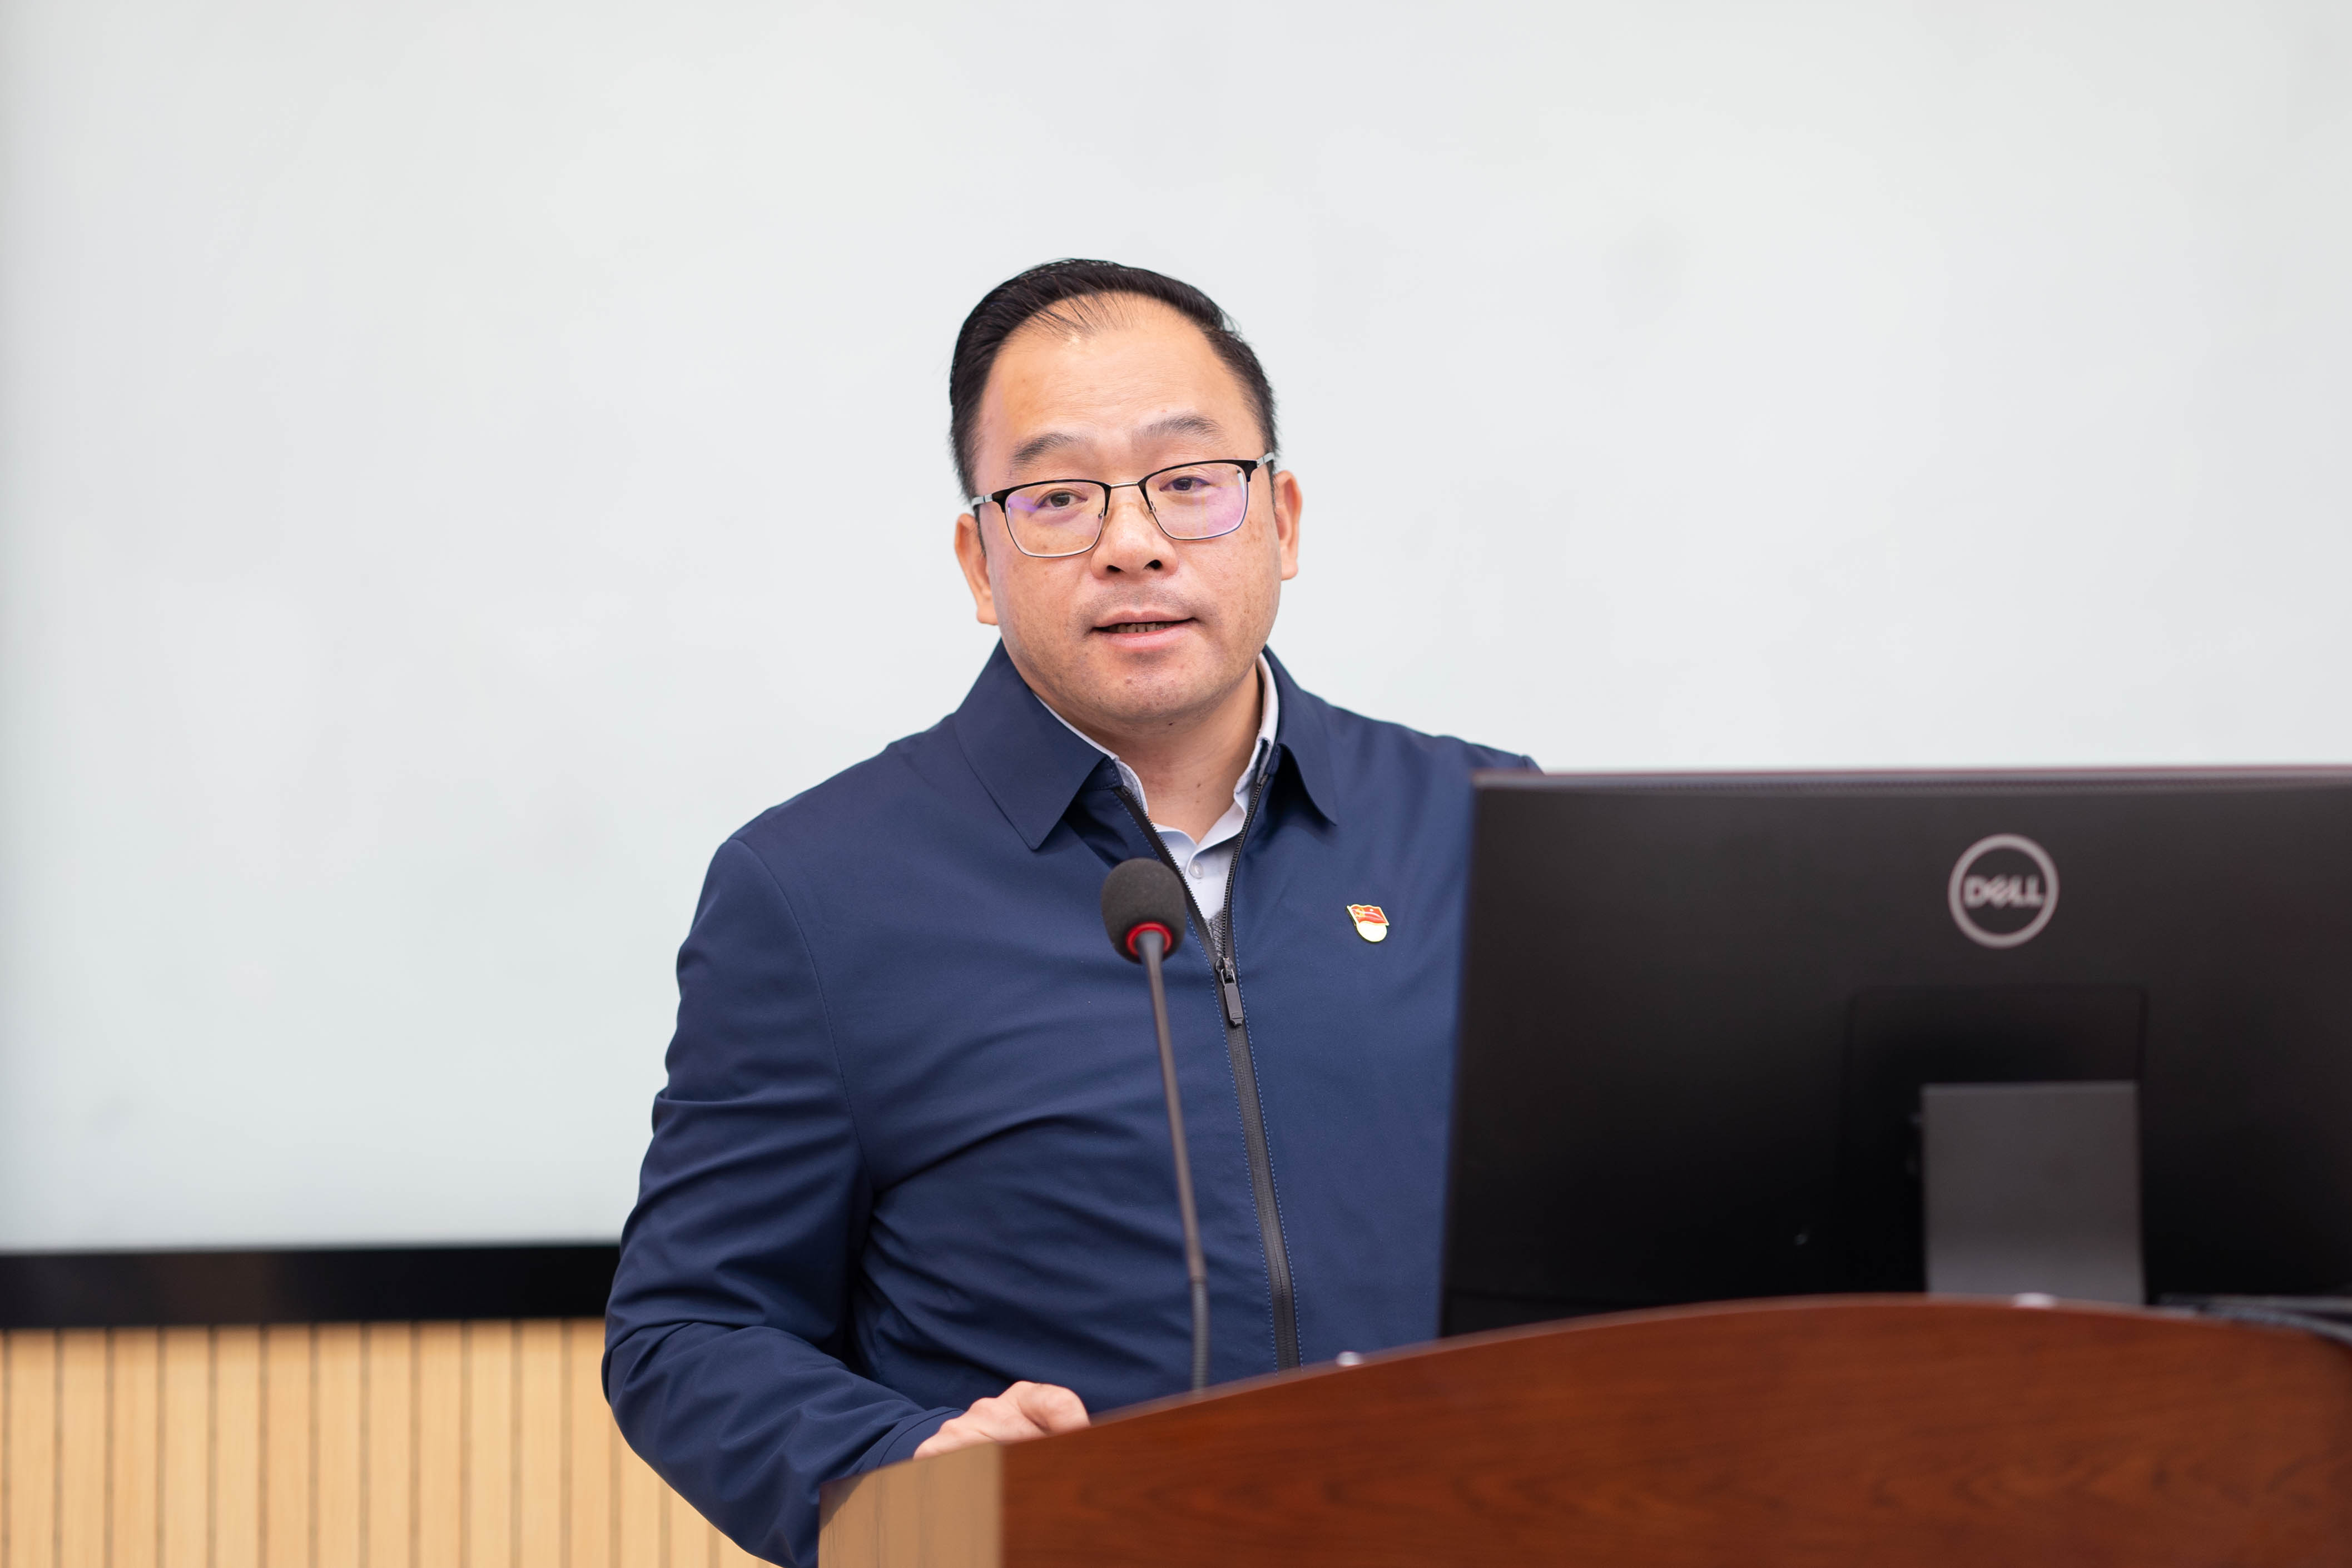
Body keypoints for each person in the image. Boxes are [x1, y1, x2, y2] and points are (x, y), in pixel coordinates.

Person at [604, 260, 1535, 1564]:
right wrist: (905, 1467)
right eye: (1056, 498)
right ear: (979, 562)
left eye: (1189, 481)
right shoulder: (817, 888)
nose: (1133, 542)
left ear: (1283, 521)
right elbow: (690, 1331)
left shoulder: (1486, 823)